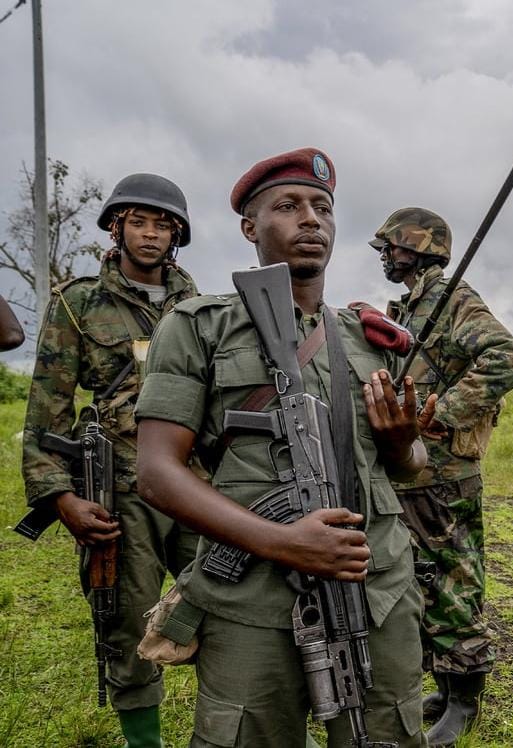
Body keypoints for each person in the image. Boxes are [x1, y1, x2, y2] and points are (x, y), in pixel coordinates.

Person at [134, 148, 432, 747]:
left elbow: (412, 470)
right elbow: (157, 472)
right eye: (288, 206)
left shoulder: (372, 341)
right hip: (252, 593)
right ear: (250, 227)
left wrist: (403, 444)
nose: (310, 220)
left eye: (322, 208)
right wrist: (284, 542)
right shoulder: (198, 326)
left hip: (376, 584)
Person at [22, 173, 199, 747]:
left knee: (230, 596)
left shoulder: (195, 301)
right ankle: (144, 741)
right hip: (122, 488)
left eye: (163, 225)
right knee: (128, 619)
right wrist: (61, 497)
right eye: (139, 222)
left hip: (195, 481)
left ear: (176, 235)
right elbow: (45, 413)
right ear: (117, 227)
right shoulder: (77, 303)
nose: (151, 234)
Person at [371, 206, 513, 747]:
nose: (387, 257)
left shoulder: (450, 297)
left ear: (417, 248)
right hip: (414, 472)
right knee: (421, 581)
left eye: (393, 248)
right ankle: (443, 685)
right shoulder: (413, 305)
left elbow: (508, 358)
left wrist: (438, 413)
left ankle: (464, 700)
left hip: (445, 476)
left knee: (454, 587)